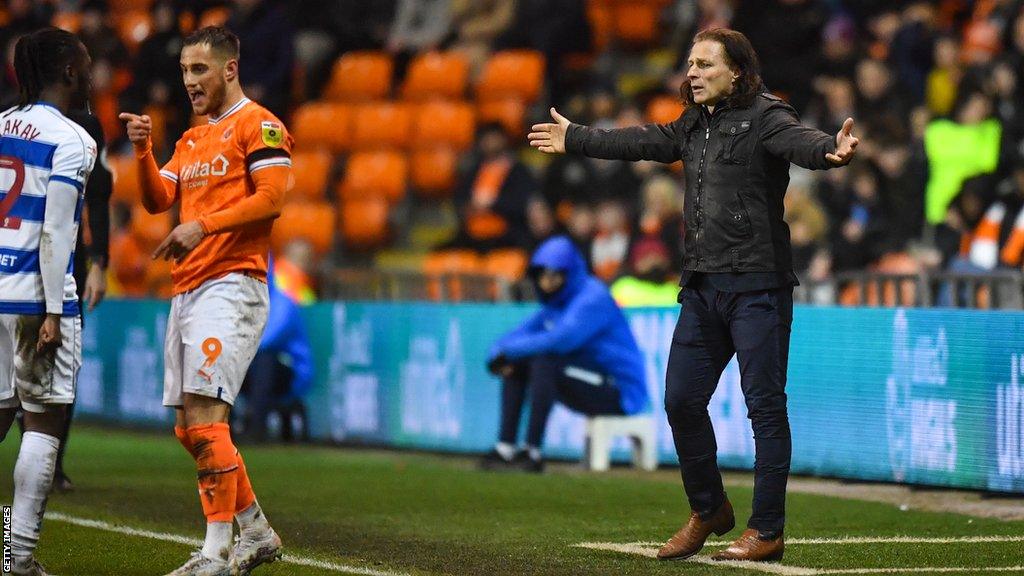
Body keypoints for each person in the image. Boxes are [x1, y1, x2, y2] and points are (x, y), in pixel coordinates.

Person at [529, 28, 858, 561]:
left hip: (758, 288)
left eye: (706, 64)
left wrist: (831, 151)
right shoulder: (693, 124)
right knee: (681, 400)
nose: (693, 73)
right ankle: (709, 509)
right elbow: (640, 140)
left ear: (737, 71)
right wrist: (578, 138)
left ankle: (767, 530)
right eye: (690, 64)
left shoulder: (768, 116)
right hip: (703, 288)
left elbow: (802, 142)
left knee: (765, 410)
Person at [119, 26, 292, 576]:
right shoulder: (192, 140)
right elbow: (155, 200)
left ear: (229, 69)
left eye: (200, 71)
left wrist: (203, 226)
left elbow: (270, 200)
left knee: (207, 420)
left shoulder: (259, 125)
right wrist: (145, 150)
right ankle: (257, 532)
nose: (189, 82)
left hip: (232, 284)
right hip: (188, 289)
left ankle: (214, 554)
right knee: (188, 429)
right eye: (185, 72)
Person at [0, 27, 97, 576]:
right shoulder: (72, 138)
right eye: (85, 66)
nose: (90, 76)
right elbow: (58, 233)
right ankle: (18, 558)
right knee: (43, 425)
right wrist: (56, 313)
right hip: (37, 297)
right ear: (67, 73)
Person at [482, 235, 649, 472]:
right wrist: (498, 353)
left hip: (620, 391)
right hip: (589, 379)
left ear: (569, 273)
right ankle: (505, 448)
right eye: (541, 275)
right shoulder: (557, 303)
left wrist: (505, 352)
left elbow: (561, 340)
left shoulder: (593, 297)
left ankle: (532, 451)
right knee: (519, 363)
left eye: (553, 275)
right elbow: (515, 336)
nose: (546, 282)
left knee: (543, 360)